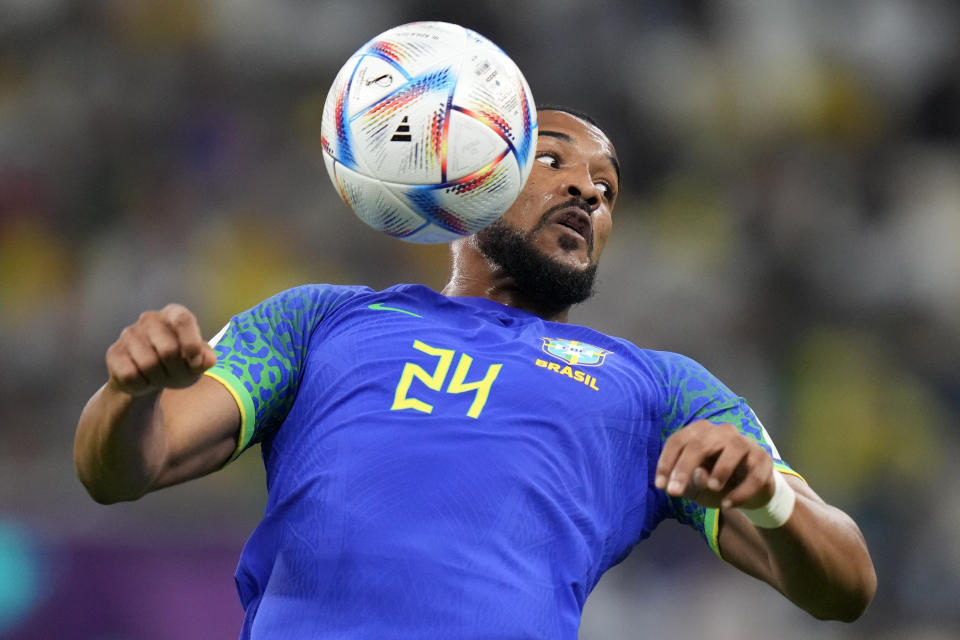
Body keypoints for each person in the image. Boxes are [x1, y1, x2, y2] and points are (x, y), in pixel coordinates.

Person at [74, 107, 876, 638]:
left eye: (607, 189)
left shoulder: (661, 390)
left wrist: (767, 494)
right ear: (472, 180)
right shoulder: (319, 321)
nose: (586, 191)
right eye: (553, 160)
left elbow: (847, 583)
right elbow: (120, 470)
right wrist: (130, 395)